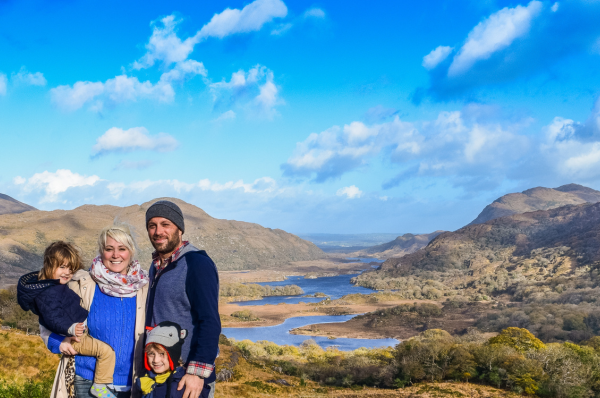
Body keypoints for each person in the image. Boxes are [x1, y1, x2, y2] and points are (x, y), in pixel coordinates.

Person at [41, 225, 149, 398]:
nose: (115, 255)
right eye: (109, 249)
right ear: (101, 251)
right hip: (86, 381)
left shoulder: (144, 287)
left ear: (131, 252)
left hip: (132, 383)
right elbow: (48, 315)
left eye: (122, 249)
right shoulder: (83, 283)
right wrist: (58, 342)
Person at [17, 241, 117, 398]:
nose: (67, 272)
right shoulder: (53, 291)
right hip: (80, 356)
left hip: (126, 377)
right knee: (106, 352)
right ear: (49, 265)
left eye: (70, 268)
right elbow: (51, 320)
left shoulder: (58, 286)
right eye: (62, 267)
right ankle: (101, 386)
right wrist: (64, 335)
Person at [144, 200, 220, 398]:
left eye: (165, 224)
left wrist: (196, 373)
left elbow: (209, 321)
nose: (158, 231)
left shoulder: (196, 264)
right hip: (160, 376)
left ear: (180, 229)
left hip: (187, 379)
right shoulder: (156, 266)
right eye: (152, 226)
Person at [136, 321, 188, 398]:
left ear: (173, 356)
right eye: (151, 353)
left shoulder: (180, 387)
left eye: (162, 354)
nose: (156, 360)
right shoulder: (148, 379)